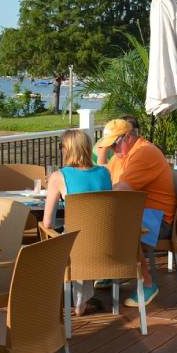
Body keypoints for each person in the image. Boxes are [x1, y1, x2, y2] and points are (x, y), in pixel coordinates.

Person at [95, 118, 176, 306]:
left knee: (119, 228)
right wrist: (103, 153)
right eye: (110, 146)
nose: (113, 149)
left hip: (158, 220)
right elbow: (105, 178)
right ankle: (114, 271)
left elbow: (119, 189)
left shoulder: (144, 153)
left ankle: (147, 283)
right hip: (138, 213)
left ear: (129, 137)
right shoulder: (121, 155)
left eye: (114, 144)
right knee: (105, 224)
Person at [42, 129, 111, 315]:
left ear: (67, 149)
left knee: (63, 236)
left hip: (77, 246)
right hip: (105, 241)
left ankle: (52, 300)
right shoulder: (104, 173)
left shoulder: (59, 177)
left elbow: (47, 223)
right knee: (84, 232)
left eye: (61, 147)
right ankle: (81, 301)